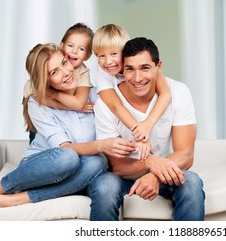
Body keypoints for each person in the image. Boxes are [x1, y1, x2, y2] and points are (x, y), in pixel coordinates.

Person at [0, 44, 135, 221]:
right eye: (54, 72)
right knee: (68, 157)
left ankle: (17, 199)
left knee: (101, 169)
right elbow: (66, 148)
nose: (66, 72)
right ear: (45, 80)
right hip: (45, 168)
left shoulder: (97, 95)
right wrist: (100, 145)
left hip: (85, 172)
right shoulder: (38, 103)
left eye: (64, 63)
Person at [93, 37, 205, 220]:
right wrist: (149, 162)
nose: (137, 78)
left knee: (191, 182)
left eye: (145, 68)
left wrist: (155, 175)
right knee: (105, 185)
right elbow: (117, 166)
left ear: (158, 66)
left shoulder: (178, 92)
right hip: (123, 176)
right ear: (122, 68)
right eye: (130, 69)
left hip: (164, 172)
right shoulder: (106, 103)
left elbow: (186, 154)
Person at [92, 24, 172, 161]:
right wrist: (141, 136)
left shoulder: (141, 65)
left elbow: (166, 94)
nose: (108, 62)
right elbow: (116, 106)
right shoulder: (102, 75)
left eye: (114, 54)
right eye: (101, 56)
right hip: (114, 126)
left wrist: (147, 125)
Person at [23, 23, 95, 143]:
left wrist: (53, 94)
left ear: (87, 56)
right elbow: (35, 98)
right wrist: (53, 96)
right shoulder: (40, 76)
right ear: (61, 46)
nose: (74, 51)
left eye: (81, 49)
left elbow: (78, 104)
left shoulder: (82, 72)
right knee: (38, 137)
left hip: (66, 123)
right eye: (70, 45)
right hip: (40, 116)